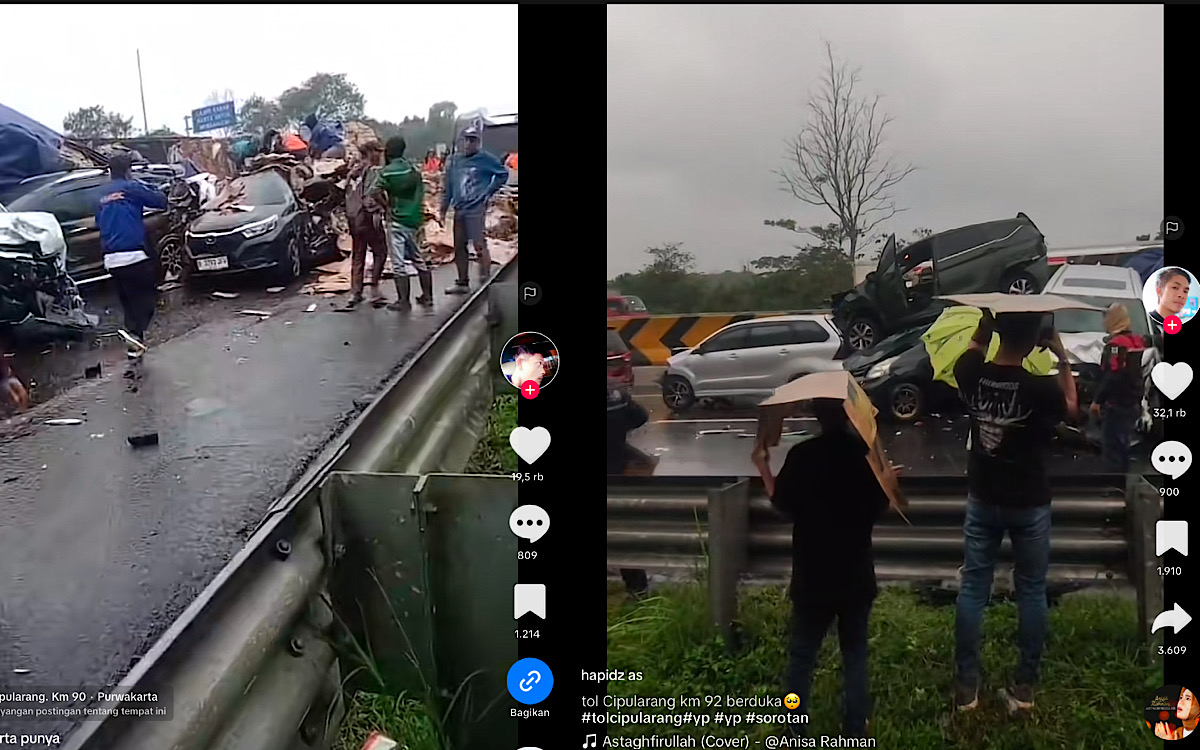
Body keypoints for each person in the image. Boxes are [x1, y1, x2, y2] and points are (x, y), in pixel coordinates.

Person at [952, 311, 1077, 715]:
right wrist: (1061, 356)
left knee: (973, 589)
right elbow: (1072, 408)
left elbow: (973, 347)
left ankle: (967, 689)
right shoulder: (1040, 389)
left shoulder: (969, 373)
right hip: (1029, 501)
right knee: (1031, 591)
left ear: (998, 333)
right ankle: (1024, 690)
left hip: (983, 498)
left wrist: (986, 325)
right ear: (1035, 338)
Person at [750, 399, 890, 739]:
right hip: (856, 574)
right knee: (855, 652)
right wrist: (886, 480)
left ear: (816, 415)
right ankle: (856, 729)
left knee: (801, 656)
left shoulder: (803, 456)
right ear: (848, 413)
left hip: (813, 576)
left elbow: (782, 506)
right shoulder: (866, 457)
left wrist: (764, 467)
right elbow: (880, 506)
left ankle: (794, 731)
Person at [96, 152, 168, 358]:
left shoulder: (101, 196)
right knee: (149, 296)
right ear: (128, 171)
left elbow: (99, 222)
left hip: (110, 258)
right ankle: (135, 333)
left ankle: (133, 341)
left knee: (128, 300)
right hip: (133, 254)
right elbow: (160, 201)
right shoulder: (132, 187)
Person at [439, 127, 509, 294]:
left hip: (475, 208)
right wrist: (443, 208)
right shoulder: (455, 161)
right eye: (467, 140)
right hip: (459, 208)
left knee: (479, 244)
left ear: (478, 142)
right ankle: (462, 282)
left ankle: (486, 281)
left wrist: (488, 192)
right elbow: (448, 185)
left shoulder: (485, 159)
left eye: (473, 140)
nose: (469, 143)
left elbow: (502, 173)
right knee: (459, 246)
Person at [370, 136, 433, 312]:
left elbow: (373, 192)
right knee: (418, 258)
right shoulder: (413, 169)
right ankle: (427, 296)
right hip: (414, 220)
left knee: (398, 263)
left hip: (396, 220)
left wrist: (386, 206)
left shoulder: (387, 172)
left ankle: (403, 301)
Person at [1090, 304, 1147, 473]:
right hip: (1133, 403)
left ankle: (1114, 488)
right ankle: (1125, 484)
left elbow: (1113, 376)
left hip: (1116, 405)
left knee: (1112, 451)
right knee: (1124, 449)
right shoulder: (1136, 341)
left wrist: (1097, 400)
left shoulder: (1116, 345)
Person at [343, 140, 389, 309]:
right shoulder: (373, 171)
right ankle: (374, 289)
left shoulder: (353, 172)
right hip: (369, 218)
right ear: (371, 153)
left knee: (358, 255)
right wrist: (384, 208)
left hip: (354, 219)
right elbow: (372, 196)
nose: (381, 155)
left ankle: (355, 293)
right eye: (378, 151)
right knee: (381, 251)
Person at [1149, 267, 1191, 334]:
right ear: (1159, 291)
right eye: (1175, 288)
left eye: (1185, 291)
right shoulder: (1146, 323)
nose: (1181, 295)